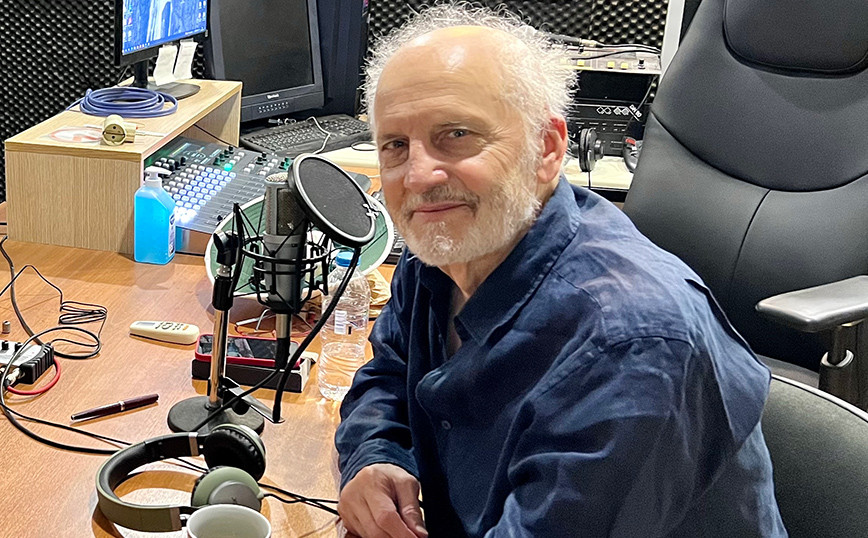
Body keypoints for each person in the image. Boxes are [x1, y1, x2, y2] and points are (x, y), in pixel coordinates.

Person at [335, 5, 787, 537]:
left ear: (547, 148)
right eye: (395, 145)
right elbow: (389, 373)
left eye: (456, 134)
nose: (418, 176)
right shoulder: (440, 251)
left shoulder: (629, 345)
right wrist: (375, 455)